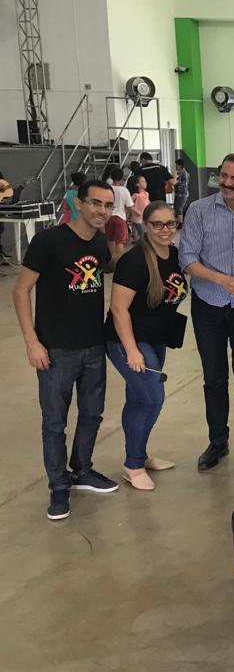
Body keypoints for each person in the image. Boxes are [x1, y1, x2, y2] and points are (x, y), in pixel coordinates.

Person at [13, 179, 119, 520]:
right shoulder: (48, 241)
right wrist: (32, 341)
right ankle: (58, 485)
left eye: (108, 205)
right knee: (54, 423)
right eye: (96, 203)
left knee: (92, 414)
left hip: (93, 346)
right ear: (79, 203)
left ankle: (82, 469)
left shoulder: (99, 242)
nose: (102, 211)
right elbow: (21, 290)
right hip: (56, 349)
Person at [180, 153, 234, 471]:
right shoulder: (198, 210)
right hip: (208, 305)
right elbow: (187, 258)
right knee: (214, 377)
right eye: (224, 176)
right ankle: (217, 441)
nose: (227, 183)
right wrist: (220, 279)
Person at [105, 201, 188, 490]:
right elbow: (118, 308)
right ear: (146, 225)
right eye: (157, 224)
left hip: (156, 339)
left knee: (138, 399)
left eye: (170, 223)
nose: (165, 230)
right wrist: (131, 351)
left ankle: (138, 455)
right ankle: (133, 465)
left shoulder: (175, 255)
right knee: (152, 398)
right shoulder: (134, 261)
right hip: (128, 340)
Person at [105, 169, 133, 262]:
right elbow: (129, 206)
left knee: (110, 240)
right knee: (120, 242)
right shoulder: (124, 190)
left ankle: (111, 261)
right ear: (122, 178)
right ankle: (119, 262)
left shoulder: (107, 189)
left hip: (108, 217)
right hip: (120, 218)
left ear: (111, 177)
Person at [129, 176, 149, 242]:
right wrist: (136, 211)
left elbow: (148, 204)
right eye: (143, 181)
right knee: (142, 233)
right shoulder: (136, 195)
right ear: (137, 184)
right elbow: (129, 205)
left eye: (145, 181)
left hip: (144, 218)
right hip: (137, 219)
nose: (145, 183)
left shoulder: (146, 194)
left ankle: (140, 242)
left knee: (144, 233)